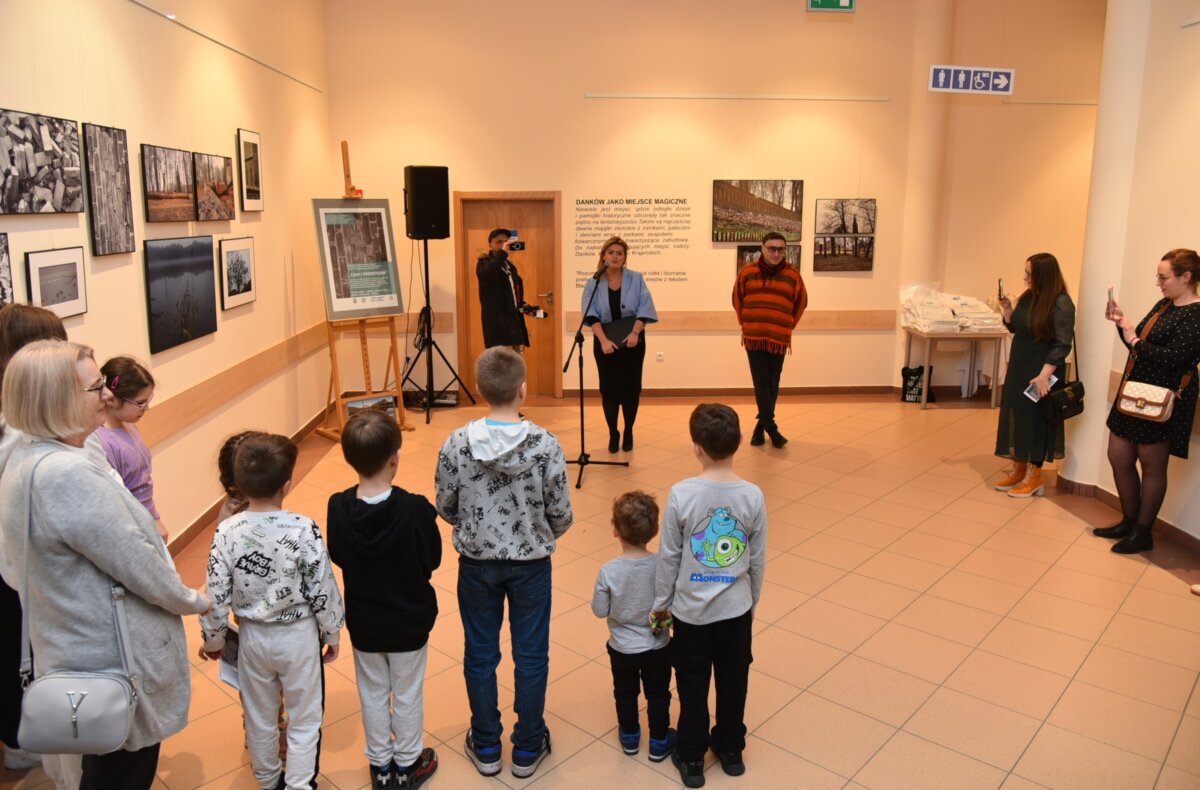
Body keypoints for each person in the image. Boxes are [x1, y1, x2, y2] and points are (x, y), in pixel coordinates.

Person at [0, 340, 210, 789]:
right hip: (109, 664)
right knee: (121, 772)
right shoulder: (66, 474)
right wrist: (193, 600)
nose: (107, 396)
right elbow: (136, 562)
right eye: (95, 387)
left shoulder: (27, 458)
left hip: (75, 650)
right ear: (57, 400)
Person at [434, 347, 573, 779]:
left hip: (476, 565)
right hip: (531, 565)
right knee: (531, 654)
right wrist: (537, 532)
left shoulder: (457, 443)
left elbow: (445, 503)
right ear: (523, 389)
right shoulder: (547, 445)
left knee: (480, 652)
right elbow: (561, 513)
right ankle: (528, 747)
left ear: (478, 390)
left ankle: (487, 743)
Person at [198, 433, 345, 790]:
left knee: (260, 716)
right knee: (305, 716)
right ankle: (299, 784)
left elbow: (215, 593)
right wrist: (332, 632)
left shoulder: (226, 531)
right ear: (287, 484)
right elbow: (321, 585)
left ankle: (267, 781)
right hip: (298, 638)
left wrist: (214, 639)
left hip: (252, 639)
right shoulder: (302, 527)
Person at [652, 403, 766, 789]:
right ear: (737, 446)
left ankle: (691, 756)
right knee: (734, 681)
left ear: (696, 447)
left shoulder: (682, 494)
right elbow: (757, 559)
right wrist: (752, 604)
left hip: (690, 614)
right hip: (736, 612)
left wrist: (661, 603)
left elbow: (668, 556)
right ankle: (731, 749)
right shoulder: (752, 496)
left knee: (692, 684)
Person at [328, 409, 441, 789]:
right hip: (409, 621)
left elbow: (339, 555)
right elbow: (433, 560)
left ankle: (380, 766)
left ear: (348, 459)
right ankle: (409, 764)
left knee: (372, 692)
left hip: (365, 622)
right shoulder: (416, 509)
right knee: (407, 692)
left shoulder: (337, 507)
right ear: (396, 455)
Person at [0, 304, 68, 776]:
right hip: (21, 566)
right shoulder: (23, 435)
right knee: (20, 650)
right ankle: (24, 739)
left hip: (14, 565)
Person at [1097, 248, 1200, 554]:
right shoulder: (1164, 305)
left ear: (1186, 277)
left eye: (1164, 277)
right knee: (1119, 455)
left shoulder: (1197, 314)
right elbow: (1137, 343)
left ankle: (1142, 532)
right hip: (1136, 391)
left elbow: (1174, 359)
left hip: (1164, 399)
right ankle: (1129, 521)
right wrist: (1122, 324)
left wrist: (1135, 340)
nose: (1158, 282)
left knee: (1153, 466)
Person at [591, 490, 674, 762]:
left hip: (622, 648)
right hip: (658, 645)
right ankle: (659, 741)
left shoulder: (609, 571)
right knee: (659, 694)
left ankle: (629, 736)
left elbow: (599, 610)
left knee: (625, 693)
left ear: (615, 530)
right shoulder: (663, 565)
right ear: (656, 530)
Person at [993, 253, 1076, 498]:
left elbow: (1062, 344)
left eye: (1030, 274)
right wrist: (1007, 311)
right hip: (1021, 366)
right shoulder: (1029, 297)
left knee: (1036, 418)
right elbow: (1017, 328)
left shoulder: (1061, 303)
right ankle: (1019, 468)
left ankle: (1035, 474)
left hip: (1042, 371)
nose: (1026, 278)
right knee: (1017, 413)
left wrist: (1044, 375)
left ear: (1044, 275)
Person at [581, 237, 659, 452]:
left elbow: (645, 306)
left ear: (625, 257)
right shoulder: (593, 281)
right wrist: (603, 340)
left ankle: (629, 431)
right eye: (611, 252)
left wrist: (635, 332)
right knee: (609, 390)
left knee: (631, 390)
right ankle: (613, 433)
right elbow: (590, 313)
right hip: (605, 345)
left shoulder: (637, 278)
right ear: (603, 256)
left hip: (633, 343)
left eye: (620, 253)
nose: (615, 256)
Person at [732, 232, 808, 448]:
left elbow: (801, 303)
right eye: (772, 248)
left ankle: (759, 428)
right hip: (754, 337)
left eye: (780, 249)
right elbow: (737, 300)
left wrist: (786, 326)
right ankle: (771, 429)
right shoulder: (747, 273)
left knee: (772, 383)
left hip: (778, 337)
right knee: (761, 383)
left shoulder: (792, 276)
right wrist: (745, 325)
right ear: (762, 248)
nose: (776, 253)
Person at [97, 356, 169, 542]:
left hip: (147, 518)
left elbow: (142, 483)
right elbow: (119, 500)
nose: (146, 408)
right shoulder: (103, 444)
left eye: (148, 401)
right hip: (133, 527)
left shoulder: (129, 426)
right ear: (111, 400)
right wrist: (151, 523)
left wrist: (155, 517)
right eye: (140, 403)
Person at [477, 228, 533, 350]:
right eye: (499, 242)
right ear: (490, 245)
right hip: (498, 330)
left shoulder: (511, 267)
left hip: (514, 328)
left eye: (506, 241)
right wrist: (503, 253)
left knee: (517, 366)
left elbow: (512, 296)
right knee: (501, 367)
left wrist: (525, 307)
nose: (503, 245)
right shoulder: (484, 263)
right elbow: (488, 274)